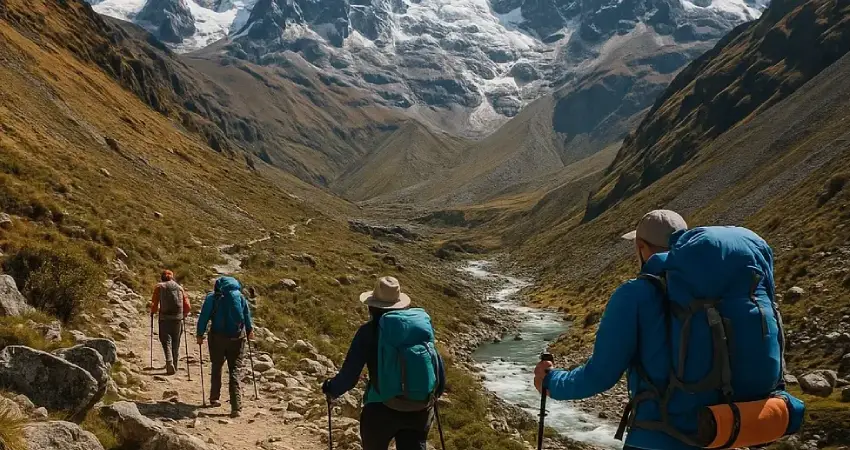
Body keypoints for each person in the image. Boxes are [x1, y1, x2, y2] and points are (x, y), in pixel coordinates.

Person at [534, 211, 803, 450]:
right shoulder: (719, 292)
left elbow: (599, 376)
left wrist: (550, 382)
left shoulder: (635, 295)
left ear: (641, 247)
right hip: (721, 430)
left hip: (657, 438)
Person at [322, 276, 446, 450]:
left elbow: (350, 377)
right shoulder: (418, 328)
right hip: (419, 408)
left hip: (380, 408)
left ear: (372, 305)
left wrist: (330, 388)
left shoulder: (368, 332)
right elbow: (437, 366)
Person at [196, 276, 254, 418]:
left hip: (217, 337)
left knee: (217, 365)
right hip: (237, 338)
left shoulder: (212, 298)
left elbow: (204, 316)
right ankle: (236, 406)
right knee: (234, 370)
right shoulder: (240, 297)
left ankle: (214, 397)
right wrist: (249, 331)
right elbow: (247, 315)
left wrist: (200, 334)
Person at [150, 270, 191, 375]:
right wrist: (184, 314)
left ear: (162, 278)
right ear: (172, 278)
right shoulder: (179, 288)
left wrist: (153, 312)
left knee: (165, 341)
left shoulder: (159, 287)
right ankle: (175, 365)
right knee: (176, 341)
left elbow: (154, 302)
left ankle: (169, 361)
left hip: (164, 318)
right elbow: (187, 305)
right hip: (178, 319)